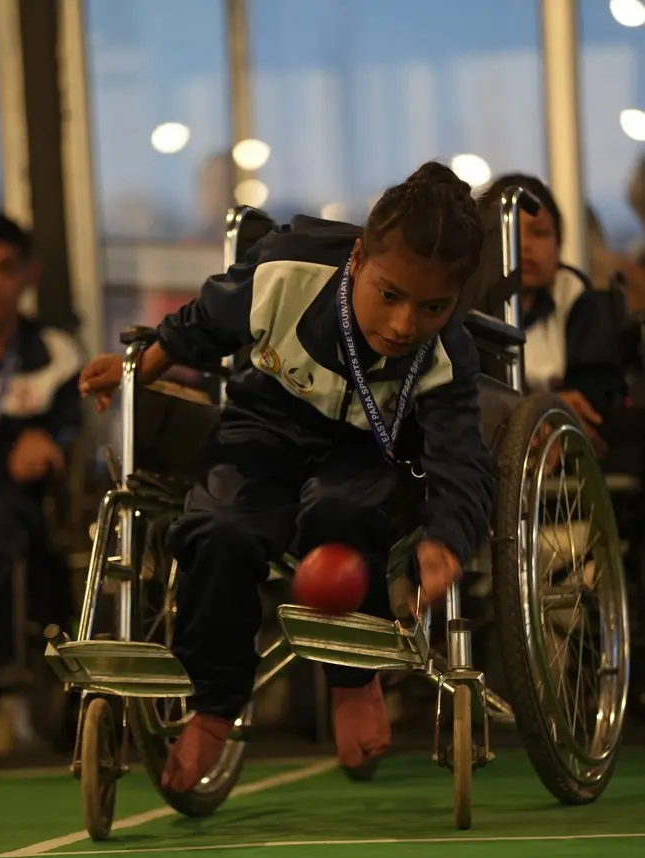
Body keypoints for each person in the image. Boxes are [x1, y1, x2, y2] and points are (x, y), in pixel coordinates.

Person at [79, 162, 495, 790]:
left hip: (368, 449)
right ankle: (213, 708)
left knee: (342, 514)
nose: (405, 325)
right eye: (389, 295)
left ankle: (354, 681)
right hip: (264, 424)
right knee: (220, 530)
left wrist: (447, 540)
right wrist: (140, 367)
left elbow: (461, 459)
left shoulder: (446, 352)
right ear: (358, 259)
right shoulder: (285, 269)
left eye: (432, 307)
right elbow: (204, 324)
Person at [0, 211, 82, 689]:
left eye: (5, 268)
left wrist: (47, 441)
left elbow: (66, 434)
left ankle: (5, 686)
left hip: (21, 511)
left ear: (28, 274)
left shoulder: (57, 352)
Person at [478, 174, 626, 456]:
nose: (523, 245)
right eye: (508, 232)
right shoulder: (466, 306)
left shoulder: (577, 297)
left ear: (559, 244)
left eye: (539, 233)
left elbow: (596, 387)